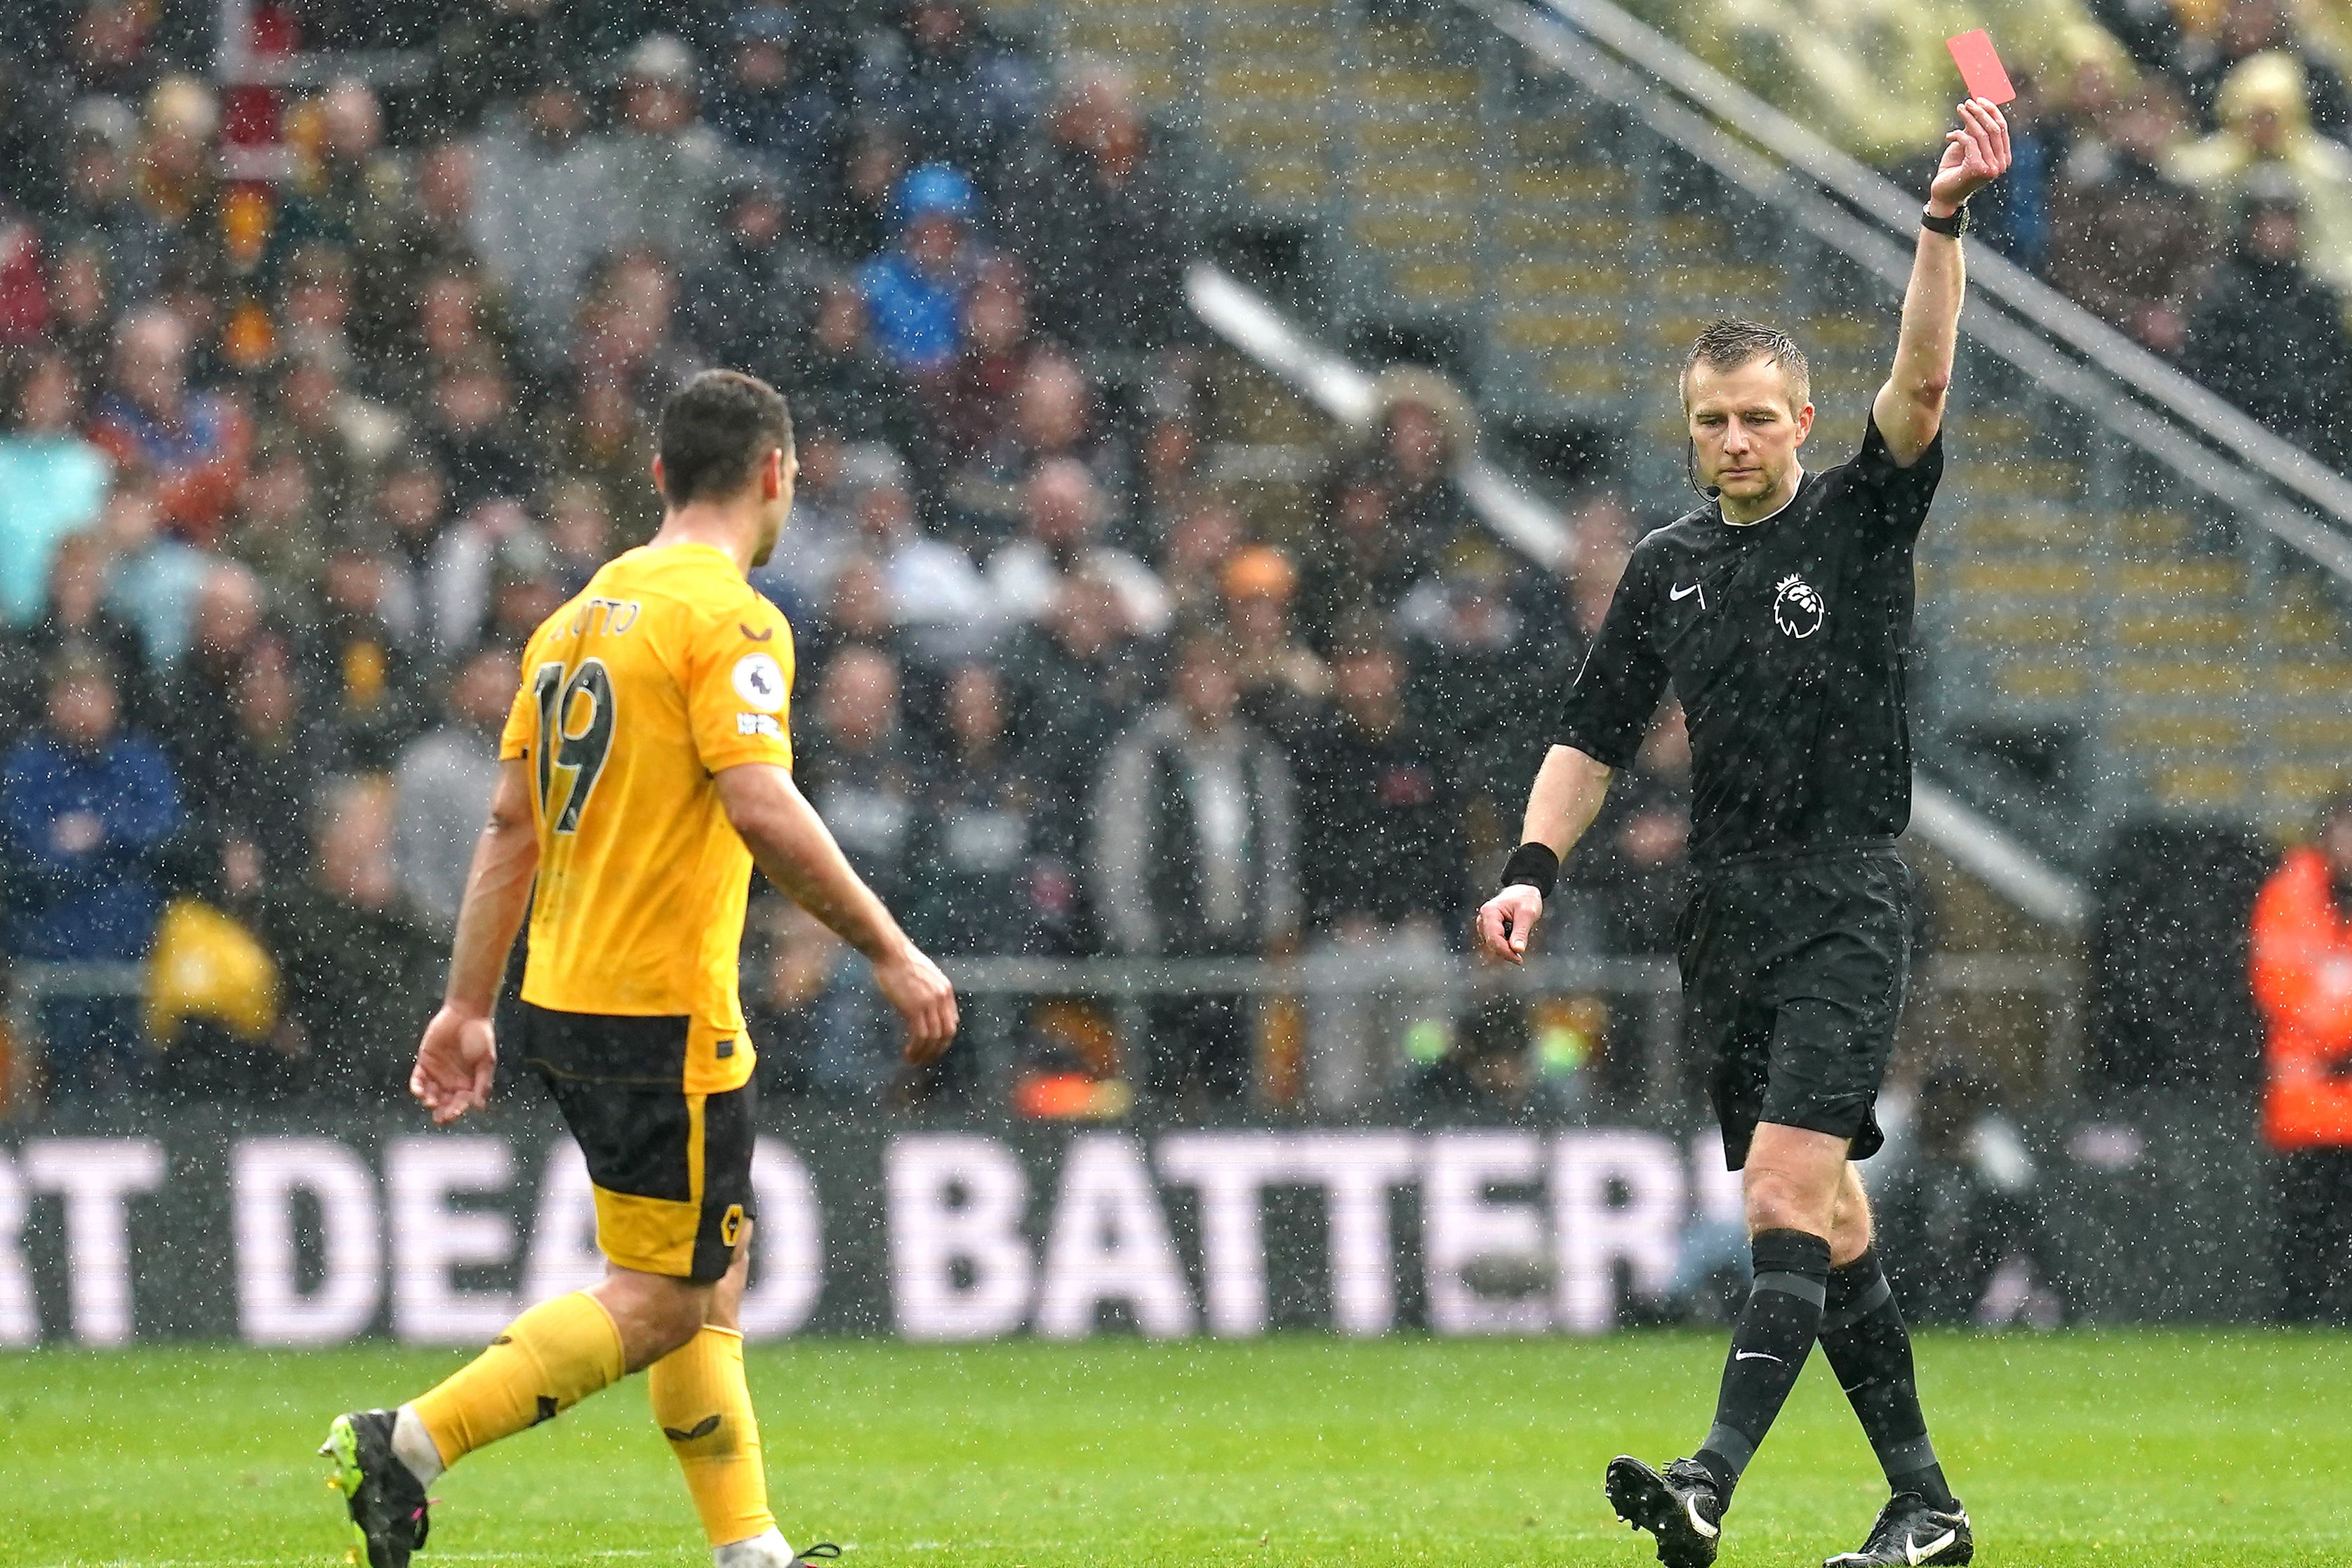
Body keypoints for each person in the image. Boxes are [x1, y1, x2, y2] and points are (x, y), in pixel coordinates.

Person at [1474, 99, 2010, 1568]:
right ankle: (1926, 1506)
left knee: (1782, 1189)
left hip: (1842, 894)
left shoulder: (1857, 518)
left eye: (1755, 416)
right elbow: (1586, 738)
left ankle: (1708, 1477)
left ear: (1798, 420)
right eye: (1708, 420)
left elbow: (1921, 372)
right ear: (1691, 431)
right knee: (1824, 1213)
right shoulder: (1666, 568)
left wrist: (1942, 219)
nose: (1731, 439)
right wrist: (1530, 870)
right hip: (1726, 911)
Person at [321, 371, 957, 1568]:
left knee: (703, 1273)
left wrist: (467, 1003)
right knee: (665, 1296)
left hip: (564, 995)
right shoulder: (731, 616)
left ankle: (748, 1546)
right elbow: (760, 801)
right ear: (774, 474)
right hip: (663, 1007)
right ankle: (408, 1439)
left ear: (660, 475)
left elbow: (510, 824)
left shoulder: (574, 621)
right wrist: (889, 943)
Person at [2250, 791, 2352, 1324]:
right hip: (2307, 1111)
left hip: (2325, 1096)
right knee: (2303, 1251)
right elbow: (2280, 989)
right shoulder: (2291, 894)